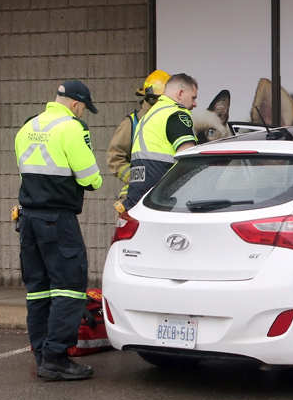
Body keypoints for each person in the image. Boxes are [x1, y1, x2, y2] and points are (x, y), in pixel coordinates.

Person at [14, 80, 103, 381]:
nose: (82, 114)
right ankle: (56, 358)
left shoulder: (28, 127)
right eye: (83, 110)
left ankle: (42, 354)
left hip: (28, 219)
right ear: (77, 105)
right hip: (58, 220)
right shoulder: (72, 128)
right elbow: (91, 178)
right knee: (69, 287)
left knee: (38, 290)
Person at [122, 73, 198, 210]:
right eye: (193, 97)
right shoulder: (176, 114)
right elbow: (188, 158)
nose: (194, 104)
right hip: (163, 201)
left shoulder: (148, 116)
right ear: (180, 93)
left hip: (138, 201)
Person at [107, 70, 170, 212]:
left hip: (167, 195)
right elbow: (114, 158)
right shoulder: (132, 123)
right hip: (136, 198)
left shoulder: (171, 121)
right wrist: (136, 177)